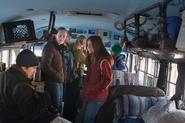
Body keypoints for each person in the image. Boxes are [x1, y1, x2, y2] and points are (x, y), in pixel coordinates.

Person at [0, 49, 56, 123]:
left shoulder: (3, 75)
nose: (35, 71)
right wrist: (45, 95)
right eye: (33, 67)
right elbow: (32, 114)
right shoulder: (22, 86)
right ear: (24, 67)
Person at [81, 35, 113, 123]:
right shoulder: (94, 58)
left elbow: (107, 79)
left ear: (96, 45)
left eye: (89, 45)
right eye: (87, 45)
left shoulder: (104, 61)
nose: (87, 48)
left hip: (97, 96)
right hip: (89, 94)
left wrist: (93, 90)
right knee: (84, 118)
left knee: (88, 119)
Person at [41, 27, 67, 114]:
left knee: (59, 105)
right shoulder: (49, 47)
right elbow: (45, 66)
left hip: (59, 80)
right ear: (55, 35)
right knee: (55, 106)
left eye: (64, 36)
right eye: (60, 35)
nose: (62, 38)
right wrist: (58, 76)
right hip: (52, 81)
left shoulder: (59, 48)